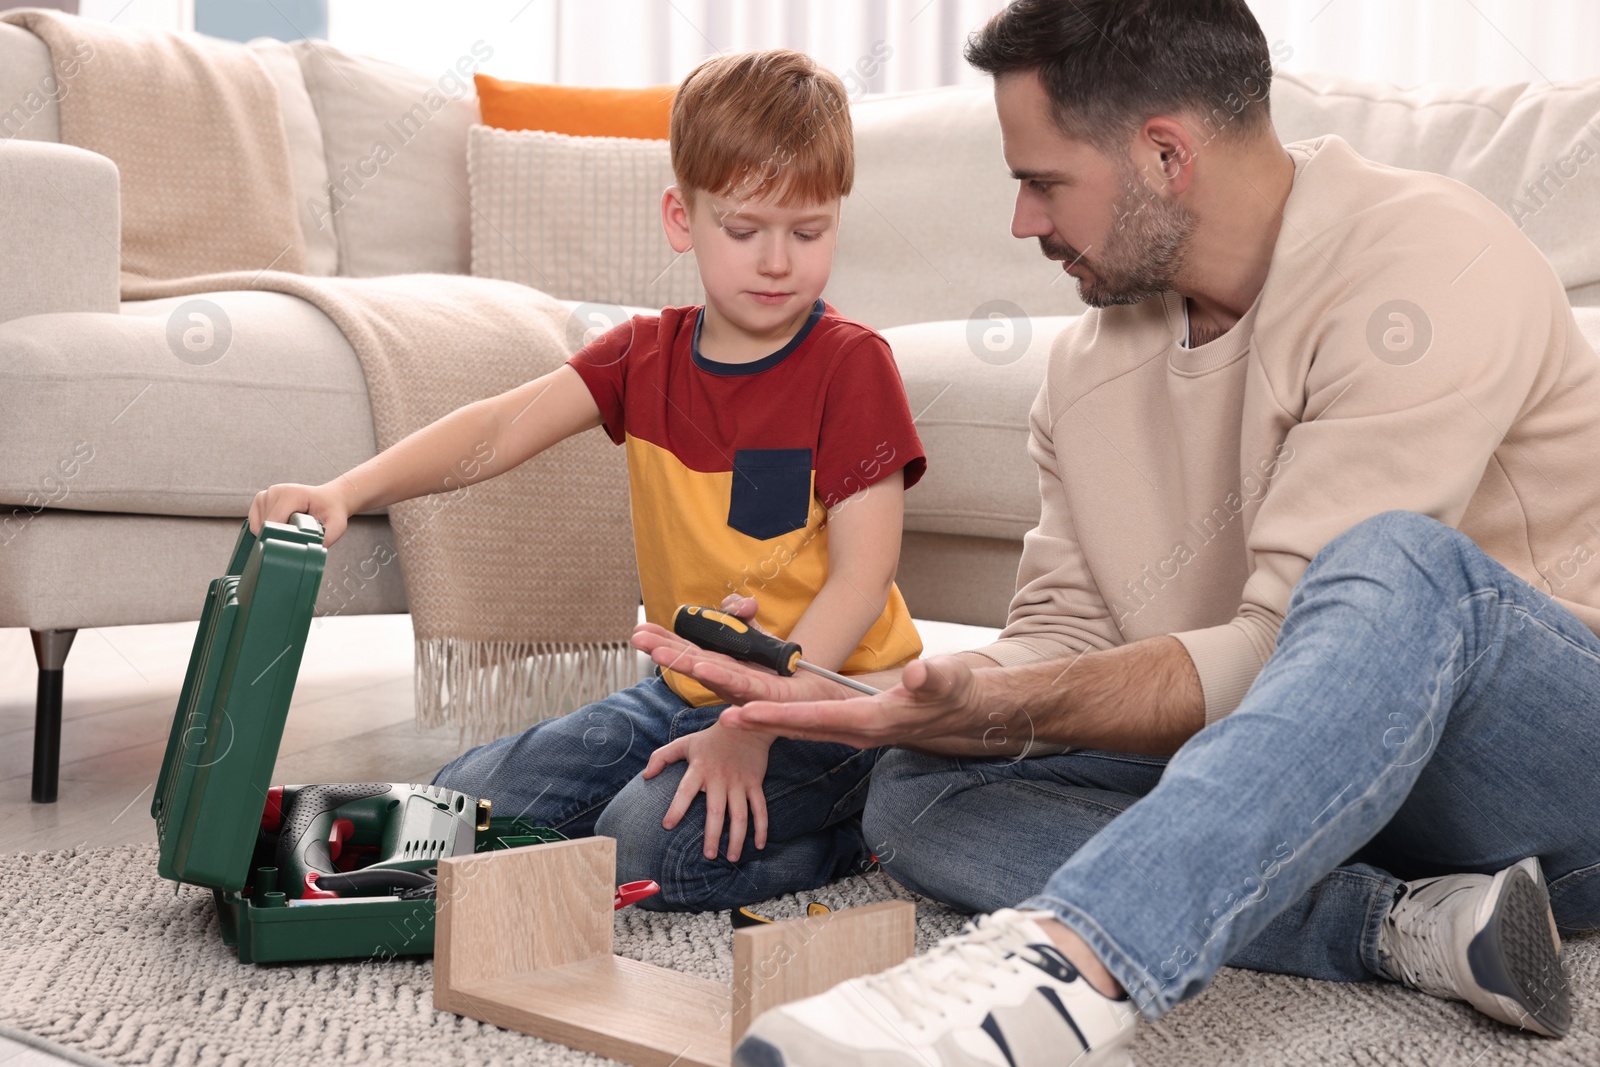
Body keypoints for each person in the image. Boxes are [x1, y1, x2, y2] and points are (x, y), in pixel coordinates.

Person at [633, 1, 1600, 1062]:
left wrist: (1015, 700)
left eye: (1042, 182)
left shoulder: (1424, 256)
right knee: (918, 792)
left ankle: (1065, 965)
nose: (1021, 222)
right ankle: (1403, 924)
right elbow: (1062, 633)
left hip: (1544, 774)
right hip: (1302, 785)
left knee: (1392, 561)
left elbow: (1289, 652)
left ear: (1165, 154)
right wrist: (915, 702)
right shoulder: (1090, 366)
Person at [249, 48, 927, 912]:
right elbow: (495, 428)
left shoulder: (852, 366)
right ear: (682, 217)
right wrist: (345, 491)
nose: (777, 262)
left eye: (808, 231)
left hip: (830, 713)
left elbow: (863, 576)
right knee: (464, 801)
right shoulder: (643, 358)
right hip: (679, 692)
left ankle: (859, 834)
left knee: (645, 847)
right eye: (744, 228)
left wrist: (756, 723)